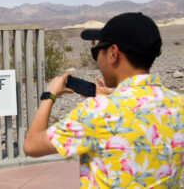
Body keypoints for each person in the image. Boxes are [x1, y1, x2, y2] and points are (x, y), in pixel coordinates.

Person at [24, 12, 184, 188]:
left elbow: (32, 146)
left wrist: (49, 95)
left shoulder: (96, 111)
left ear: (113, 53)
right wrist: (115, 95)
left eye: (96, 51)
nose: (97, 59)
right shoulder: (179, 105)